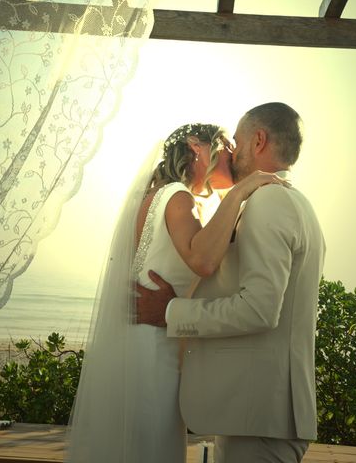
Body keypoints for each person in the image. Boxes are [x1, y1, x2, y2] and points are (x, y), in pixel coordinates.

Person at [66, 123, 285, 463]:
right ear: (197, 147)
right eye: (225, 146)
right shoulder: (176, 196)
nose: (231, 154)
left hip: (150, 341)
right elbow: (203, 260)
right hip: (153, 349)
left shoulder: (162, 196)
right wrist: (242, 190)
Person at [136, 102, 326, 463]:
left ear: (258, 140)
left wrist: (170, 312)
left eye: (236, 142)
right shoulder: (286, 200)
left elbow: (259, 309)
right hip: (252, 414)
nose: (231, 151)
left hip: (259, 417)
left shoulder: (270, 202)